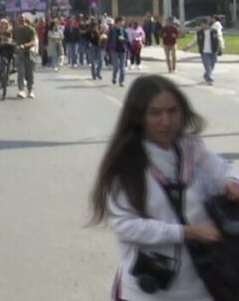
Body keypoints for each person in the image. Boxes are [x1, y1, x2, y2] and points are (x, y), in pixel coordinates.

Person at [89, 75, 239, 301]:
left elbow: (224, 171)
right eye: (155, 113)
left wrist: (232, 182)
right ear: (138, 117)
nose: (166, 121)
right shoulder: (126, 164)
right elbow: (126, 227)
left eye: (172, 111)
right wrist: (188, 232)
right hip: (149, 291)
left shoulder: (192, 148)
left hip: (205, 285)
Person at [185, 19, 223, 85]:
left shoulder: (214, 31)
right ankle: (210, 79)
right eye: (202, 25)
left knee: (212, 66)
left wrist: (221, 47)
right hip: (204, 52)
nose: (203, 26)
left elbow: (219, 39)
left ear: (208, 24)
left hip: (213, 51)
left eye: (204, 24)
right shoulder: (199, 33)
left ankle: (206, 75)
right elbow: (195, 41)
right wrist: (188, 46)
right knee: (207, 66)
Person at [12, 15, 37, 99]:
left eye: (22, 18)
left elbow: (33, 41)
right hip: (19, 53)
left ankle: (30, 90)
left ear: (25, 19)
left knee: (30, 73)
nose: (21, 20)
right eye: (19, 18)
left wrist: (25, 45)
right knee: (21, 72)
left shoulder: (30, 29)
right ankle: (21, 90)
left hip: (29, 52)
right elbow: (13, 39)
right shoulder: (15, 30)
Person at [108, 17, 129, 88]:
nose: (123, 23)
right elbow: (109, 40)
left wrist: (124, 40)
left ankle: (121, 81)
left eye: (123, 22)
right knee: (116, 66)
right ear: (118, 22)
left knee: (122, 66)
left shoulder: (124, 30)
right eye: (121, 21)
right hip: (114, 50)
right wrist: (107, 49)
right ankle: (114, 77)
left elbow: (127, 40)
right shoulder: (112, 30)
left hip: (123, 50)